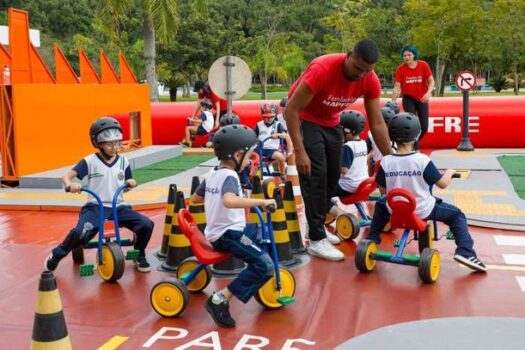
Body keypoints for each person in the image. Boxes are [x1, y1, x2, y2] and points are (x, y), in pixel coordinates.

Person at [285, 38, 393, 261]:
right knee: (316, 176)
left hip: (331, 121)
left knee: (333, 176)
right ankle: (315, 240)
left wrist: (392, 158)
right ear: (348, 55)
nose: (360, 75)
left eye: (367, 71)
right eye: (357, 68)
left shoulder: (370, 80)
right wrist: (300, 150)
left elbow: (377, 122)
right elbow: (292, 111)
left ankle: (315, 227)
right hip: (305, 119)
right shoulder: (322, 69)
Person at [365, 112, 487, 272]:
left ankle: (371, 239)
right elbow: (442, 184)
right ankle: (465, 252)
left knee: (381, 204)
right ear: (416, 136)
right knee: (457, 215)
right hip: (422, 210)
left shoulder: (386, 161)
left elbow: (383, 190)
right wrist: (449, 173)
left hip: (394, 209)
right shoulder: (422, 160)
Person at [191, 125, 277, 328]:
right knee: (265, 266)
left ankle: (254, 274)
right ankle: (219, 299)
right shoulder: (229, 176)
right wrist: (262, 202)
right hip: (228, 234)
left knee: (258, 234)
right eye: (247, 156)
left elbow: (195, 199)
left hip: (218, 232)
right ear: (238, 155)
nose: (248, 161)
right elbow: (229, 200)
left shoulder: (213, 173)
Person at [44, 117, 154, 272]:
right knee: (79, 233)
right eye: (109, 143)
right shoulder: (90, 161)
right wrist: (71, 185)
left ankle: (139, 254)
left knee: (146, 224)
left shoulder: (124, 162)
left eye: (116, 143)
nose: (113, 147)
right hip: (96, 206)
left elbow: (127, 182)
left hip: (118, 206)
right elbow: (66, 177)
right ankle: (57, 255)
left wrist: (130, 183)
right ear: (98, 143)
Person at [328, 110, 369, 216]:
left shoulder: (348, 147)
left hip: (347, 186)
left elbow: (344, 170)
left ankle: (338, 213)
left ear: (348, 131)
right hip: (361, 183)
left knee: (319, 193)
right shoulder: (364, 143)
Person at [391, 45, 435, 144]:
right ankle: (412, 146)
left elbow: (431, 81)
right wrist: (393, 102)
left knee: (424, 126)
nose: (406, 57)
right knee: (412, 124)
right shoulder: (401, 69)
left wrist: (428, 93)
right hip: (408, 99)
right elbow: (397, 86)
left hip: (422, 98)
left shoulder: (423, 65)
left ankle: (414, 143)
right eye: (404, 55)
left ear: (414, 55)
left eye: (409, 55)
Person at [254, 102, 293, 176]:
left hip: (271, 150)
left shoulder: (278, 125)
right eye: (266, 117)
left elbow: (285, 136)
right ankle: (254, 176)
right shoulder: (258, 125)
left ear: (274, 116)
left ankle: (282, 174)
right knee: (252, 158)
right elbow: (252, 136)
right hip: (259, 148)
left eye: (271, 117)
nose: (268, 119)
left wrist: (278, 135)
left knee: (281, 158)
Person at [367, 106, 396, 176]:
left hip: (378, 163)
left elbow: (368, 150)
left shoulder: (372, 133)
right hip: (392, 163)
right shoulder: (397, 133)